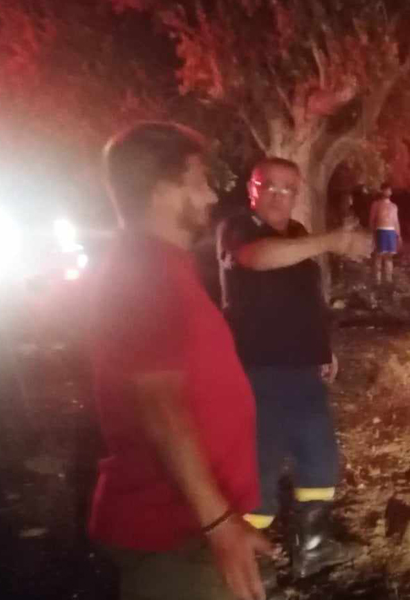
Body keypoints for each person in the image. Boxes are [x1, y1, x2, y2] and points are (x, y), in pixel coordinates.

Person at [89, 122, 271, 600]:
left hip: (189, 527)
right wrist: (218, 523)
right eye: (199, 180)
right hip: (175, 536)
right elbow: (159, 407)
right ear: (163, 190)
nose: (211, 195)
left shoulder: (162, 266)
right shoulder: (146, 272)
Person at [217, 157, 371, 580]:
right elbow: (258, 258)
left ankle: (314, 547)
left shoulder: (299, 234)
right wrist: (333, 240)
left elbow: (306, 297)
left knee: (319, 455)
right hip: (258, 369)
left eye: (289, 188)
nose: (280, 196)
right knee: (259, 464)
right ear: (252, 189)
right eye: (270, 186)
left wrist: (324, 347)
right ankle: (253, 562)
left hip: (304, 370)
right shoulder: (238, 228)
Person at [368, 184, 400, 287]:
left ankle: (388, 281)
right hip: (380, 231)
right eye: (385, 190)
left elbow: (396, 221)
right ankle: (377, 281)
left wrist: (398, 235)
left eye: (389, 190)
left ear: (391, 192)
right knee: (378, 256)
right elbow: (372, 220)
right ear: (381, 191)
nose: (387, 192)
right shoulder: (376, 205)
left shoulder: (394, 206)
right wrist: (372, 234)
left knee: (389, 257)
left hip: (391, 232)